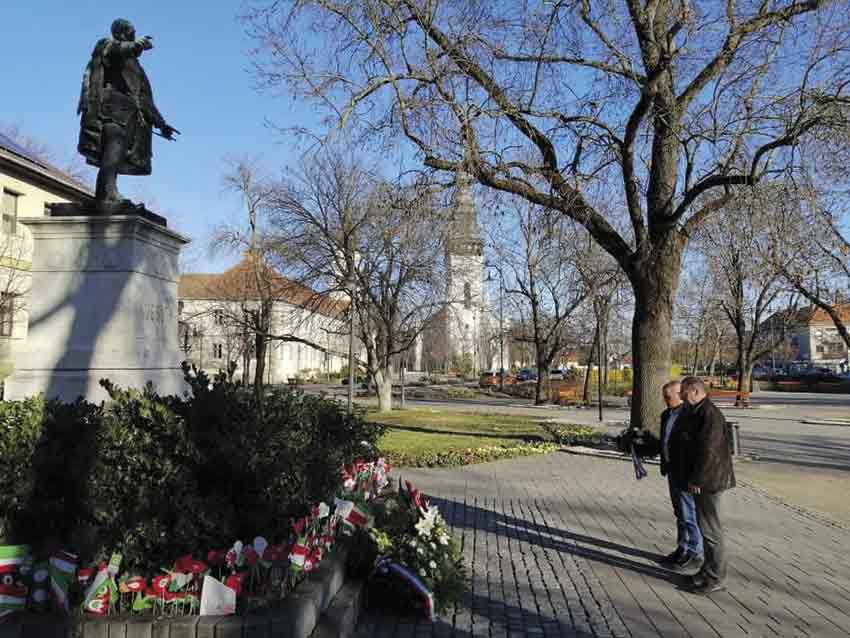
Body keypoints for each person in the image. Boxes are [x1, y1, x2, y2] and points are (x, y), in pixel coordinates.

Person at [77, 19, 178, 211]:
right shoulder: (107, 47)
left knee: (116, 154)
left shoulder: (136, 68)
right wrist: (137, 45)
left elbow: (144, 99)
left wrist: (161, 124)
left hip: (130, 116)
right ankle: (108, 194)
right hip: (112, 111)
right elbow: (115, 51)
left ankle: (105, 194)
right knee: (112, 152)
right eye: (130, 33)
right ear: (121, 34)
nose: (133, 35)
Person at [638, 381, 704, 571]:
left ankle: (696, 553)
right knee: (680, 514)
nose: (666, 400)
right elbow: (665, 442)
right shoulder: (667, 414)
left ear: (680, 394)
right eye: (664, 397)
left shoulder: (689, 415)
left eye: (669, 396)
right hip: (672, 471)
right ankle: (682, 548)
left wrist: (696, 475)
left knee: (689, 514)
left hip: (685, 472)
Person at [679, 375, 736, 595]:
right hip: (705, 478)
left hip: (709, 481)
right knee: (706, 528)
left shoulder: (709, 414)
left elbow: (709, 451)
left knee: (711, 530)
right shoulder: (698, 411)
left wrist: (697, 479)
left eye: (684, 392)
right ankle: (707, 570)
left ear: (695, 391)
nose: (682, 396)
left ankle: (716, 577)